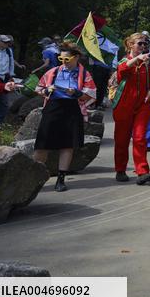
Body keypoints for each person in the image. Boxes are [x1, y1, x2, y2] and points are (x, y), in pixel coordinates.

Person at [33, 42, 96, 191]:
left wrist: (76, 93)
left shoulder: (84, 74)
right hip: (53, 107)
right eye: (61, 59)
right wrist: (46, 91)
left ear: (76, 58)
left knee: (67, 145)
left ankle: (61, 179)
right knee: (42, 144)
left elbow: (91, 94)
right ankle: (34, 177)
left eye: (66, 59)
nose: (63, 63)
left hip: (72, 109)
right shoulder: (53, 72)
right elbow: (38, 87)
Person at [113, 33, 150, 186]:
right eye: (140, 43)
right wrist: (137, 59)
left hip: (142, 105)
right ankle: (120, 169)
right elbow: (121, 71)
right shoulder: (124, 61)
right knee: (122, 140)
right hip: (123, 105)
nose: (143, 47)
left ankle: (142, 172)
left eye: (145, 44)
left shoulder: (146, 63)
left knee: (139, 138)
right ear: (130, 45)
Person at [0, 35, 24, 123]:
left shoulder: (8, 51)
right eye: (5, 42)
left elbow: (11, 63)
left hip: (4, 79)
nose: (7, 44)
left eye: (8, 42)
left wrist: (11, 75)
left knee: (3, 101)